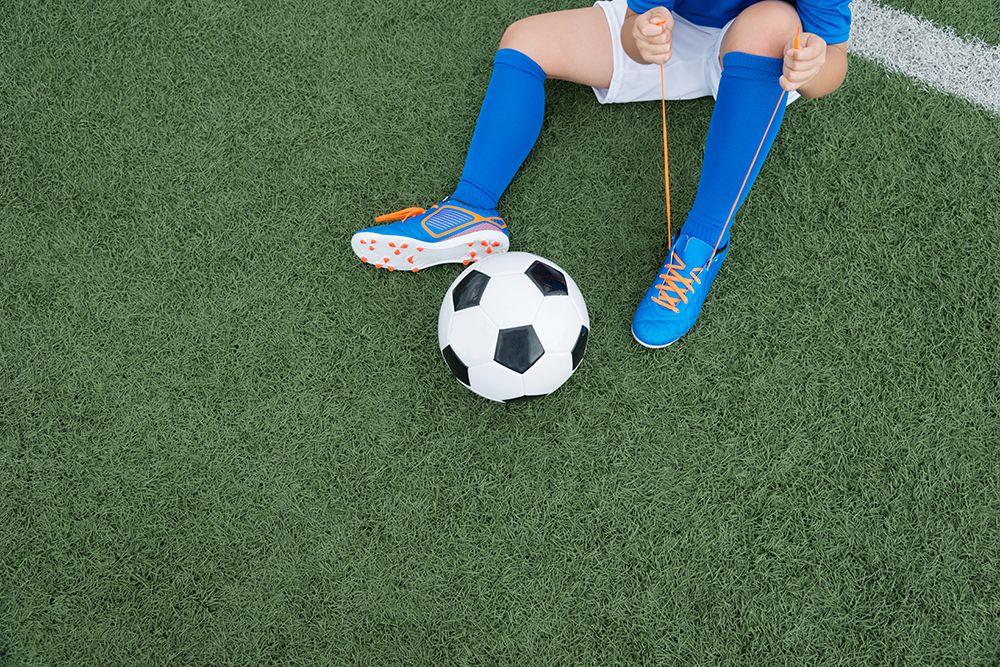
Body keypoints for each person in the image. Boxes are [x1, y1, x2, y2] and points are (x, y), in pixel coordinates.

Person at [351, 0, 850, 347]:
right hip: (672, 35)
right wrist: (641, 38)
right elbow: (637, 28)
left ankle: (700, 245)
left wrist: (814, 66)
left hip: (766, 56)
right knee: (525, 40)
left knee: (771, 19)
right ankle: (469, 208)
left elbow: (834, 66)